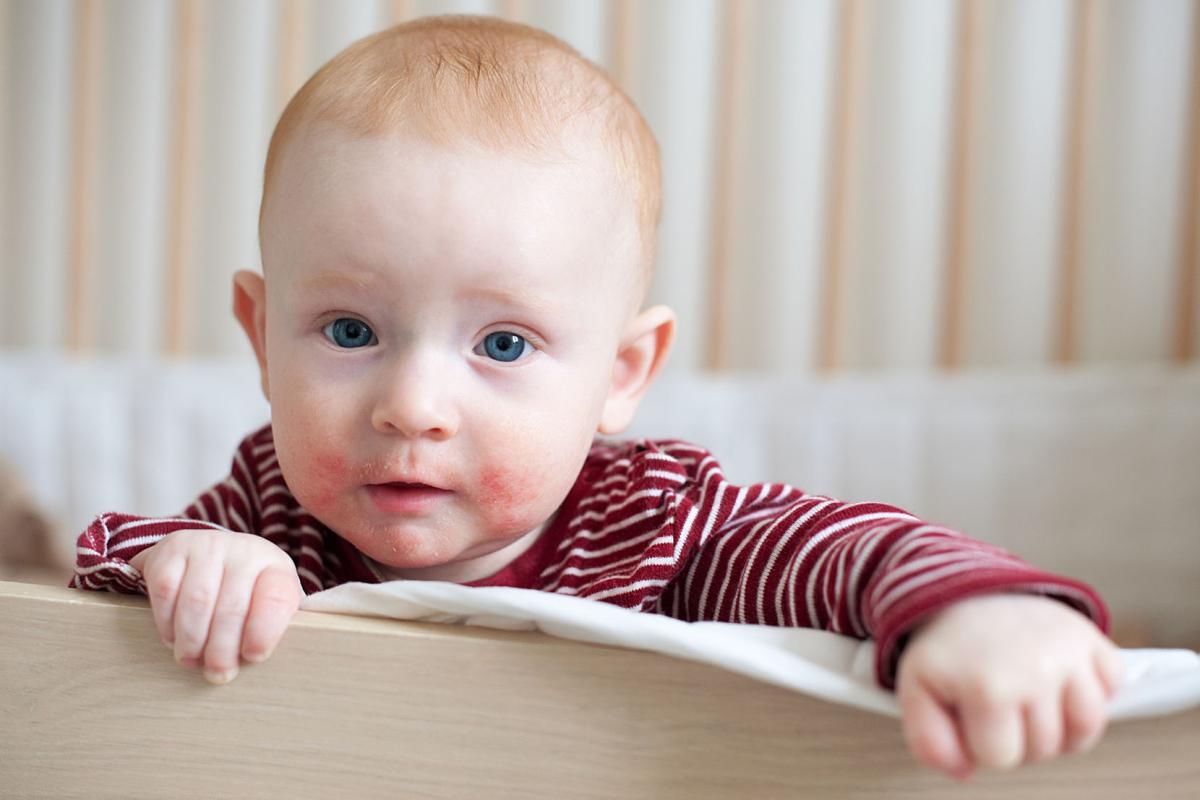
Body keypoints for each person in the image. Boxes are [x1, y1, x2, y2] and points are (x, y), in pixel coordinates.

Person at [71, 15, 1123, 782]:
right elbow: (90, 580)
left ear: (621, 374)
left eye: (504, 341)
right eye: (351, 331)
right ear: (261, 337)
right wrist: (182, 559)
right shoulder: (271, 504)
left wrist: (976, 610)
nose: (412, 404)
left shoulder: (656, 522)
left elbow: (844, 549)